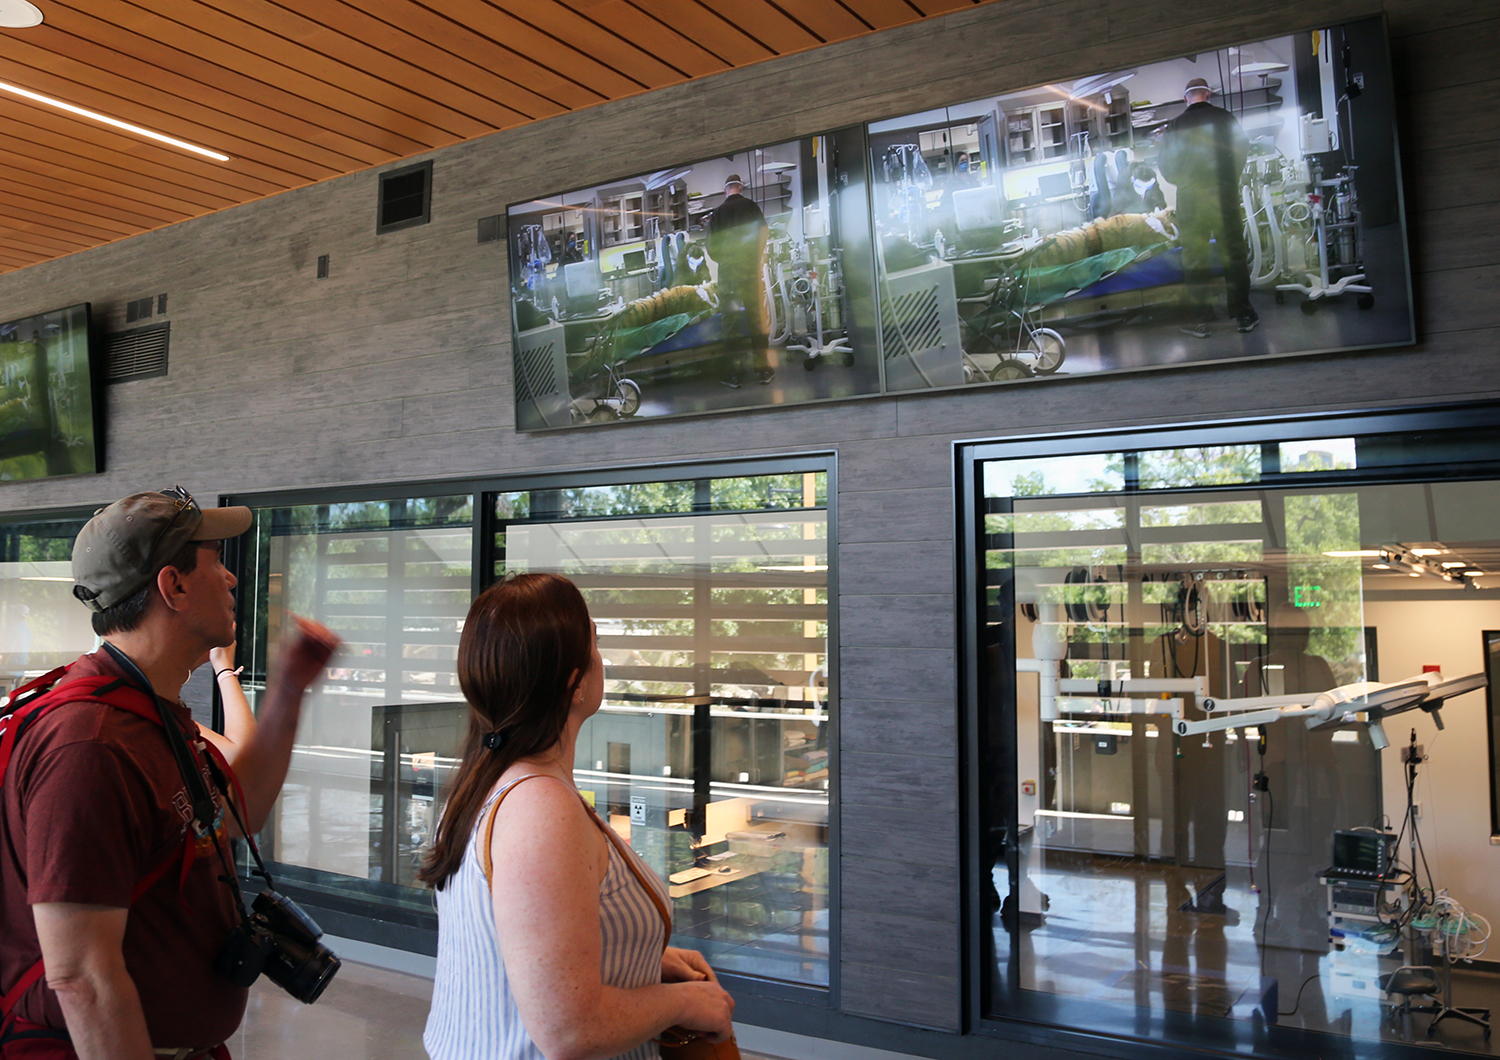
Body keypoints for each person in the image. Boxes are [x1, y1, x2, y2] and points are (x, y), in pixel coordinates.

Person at [0, 486, 339, 1060]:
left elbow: (236, 814)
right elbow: (82, 975)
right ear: (173, 586)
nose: (232, 579)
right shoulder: (92, 745)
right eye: (215, 562)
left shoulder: (151, 712)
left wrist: (287, 691)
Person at [421, 573, 734, 1060]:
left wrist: (639, 958)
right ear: (574, 683)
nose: (601, 659)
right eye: (596, 644)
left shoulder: (483, 783)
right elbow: (570, 1030)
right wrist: (685, 1002)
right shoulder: (538, 810)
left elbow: (519, 947)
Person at [1159, 77, 1257, 336]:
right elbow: (1241, 149)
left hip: (1191, 199)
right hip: (1222, 194)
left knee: (1194, 258)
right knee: (1234, 254)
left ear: (1185, 99)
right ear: (1208, 95)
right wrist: (1228, 180)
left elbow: (1166, 167)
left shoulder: (1175, 126)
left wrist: (1186, 183)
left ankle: (1200, 319)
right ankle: (1243, 315)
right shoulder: (1226, 119)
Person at [702, 174, 770, 389]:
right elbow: (763, 234)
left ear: (725, 190)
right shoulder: (751, 207)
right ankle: (764, 371)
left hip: (729, 275)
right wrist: (754, 257)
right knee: (756, 318)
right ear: (740, 187)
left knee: (730, 323)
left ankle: (734, 375)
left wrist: (726, 260)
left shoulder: (718, 213)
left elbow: (711, 247)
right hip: (750, 271)